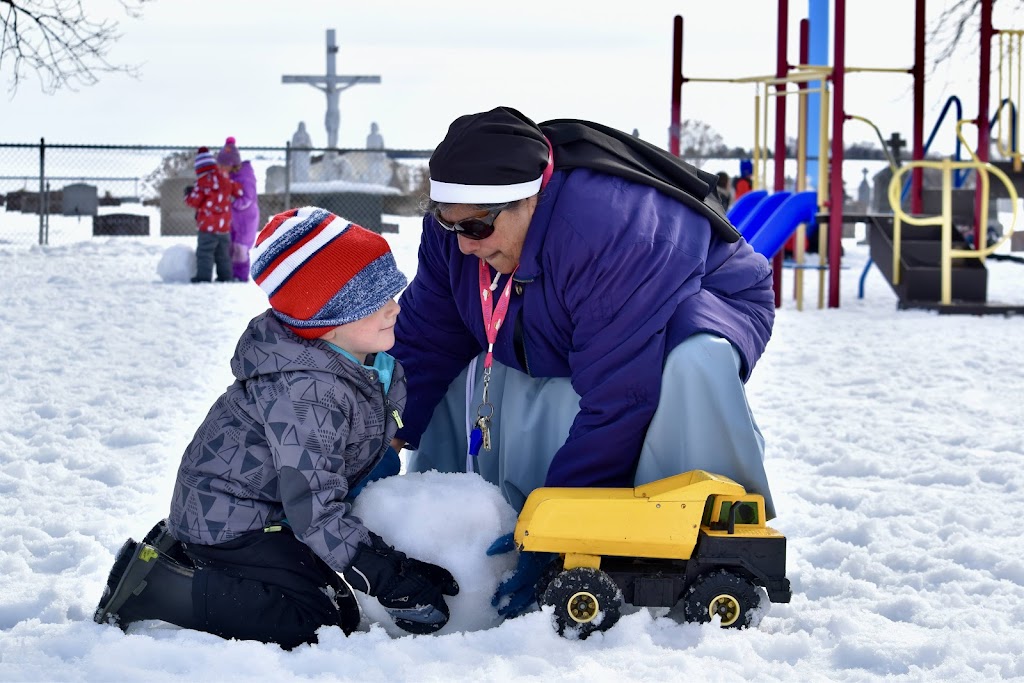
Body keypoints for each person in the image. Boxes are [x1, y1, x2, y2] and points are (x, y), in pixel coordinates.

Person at [388, 107, 776, 619]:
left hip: (700, 300)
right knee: (473, 353)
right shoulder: (462, 227)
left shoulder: (610, 232)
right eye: (448, 223)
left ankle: (680, 536)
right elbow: (426, 339)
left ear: (528, 197)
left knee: (691, 362)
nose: (464, 244)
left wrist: (559, 533)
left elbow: (619, 395)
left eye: (478, 226)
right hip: (580, 315)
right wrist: (383, 433)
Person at [93, 207, 459, 648]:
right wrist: (387, 574)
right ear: (323, 321)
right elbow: (315, 507)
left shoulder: (361, 362)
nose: (393, 309)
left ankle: (185, 554)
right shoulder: (308, 393)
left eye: (392, 294)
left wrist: (391, 561)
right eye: (371, 303)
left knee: (336, 606)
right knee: (318, 621)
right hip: (229, 525)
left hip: (265, 511)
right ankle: (163, 589)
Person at [185, 146, 242, 283]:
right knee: (223, 255)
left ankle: (203, 277)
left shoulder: (202, 182)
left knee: (205, 253)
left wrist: (188, 194)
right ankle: (225, 277)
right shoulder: (225, 178)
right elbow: (238, 190)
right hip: (224, 228)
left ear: (199, 169)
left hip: (207, 227)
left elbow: (194, 201)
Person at [216, 137, 260, 281]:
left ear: (232, 163)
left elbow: (248, 198)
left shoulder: (246, 176)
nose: (221, 168)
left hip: (246, 219)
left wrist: (232, 201)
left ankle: (241, 276)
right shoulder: (230, 175)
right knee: (230, 247)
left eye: (224, 165)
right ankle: (231, 274)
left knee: (240, 249)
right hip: (234, 219)